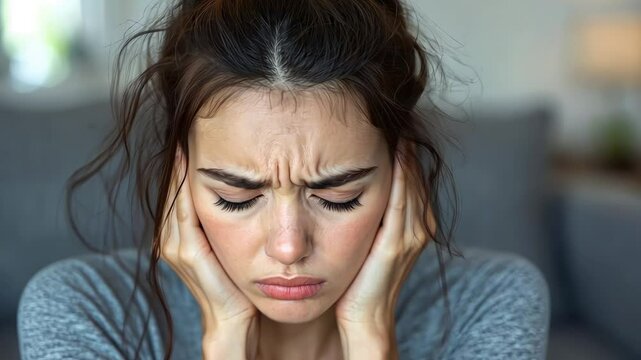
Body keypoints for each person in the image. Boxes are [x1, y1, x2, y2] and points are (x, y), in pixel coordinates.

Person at [18, 0, 550, 359]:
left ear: (401, 171)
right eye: (234, 196)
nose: (289, 245)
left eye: (339, 196)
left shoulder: (493, 302)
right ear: (179, 175)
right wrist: (226, 338)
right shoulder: (82, 312)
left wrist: (369, 338)